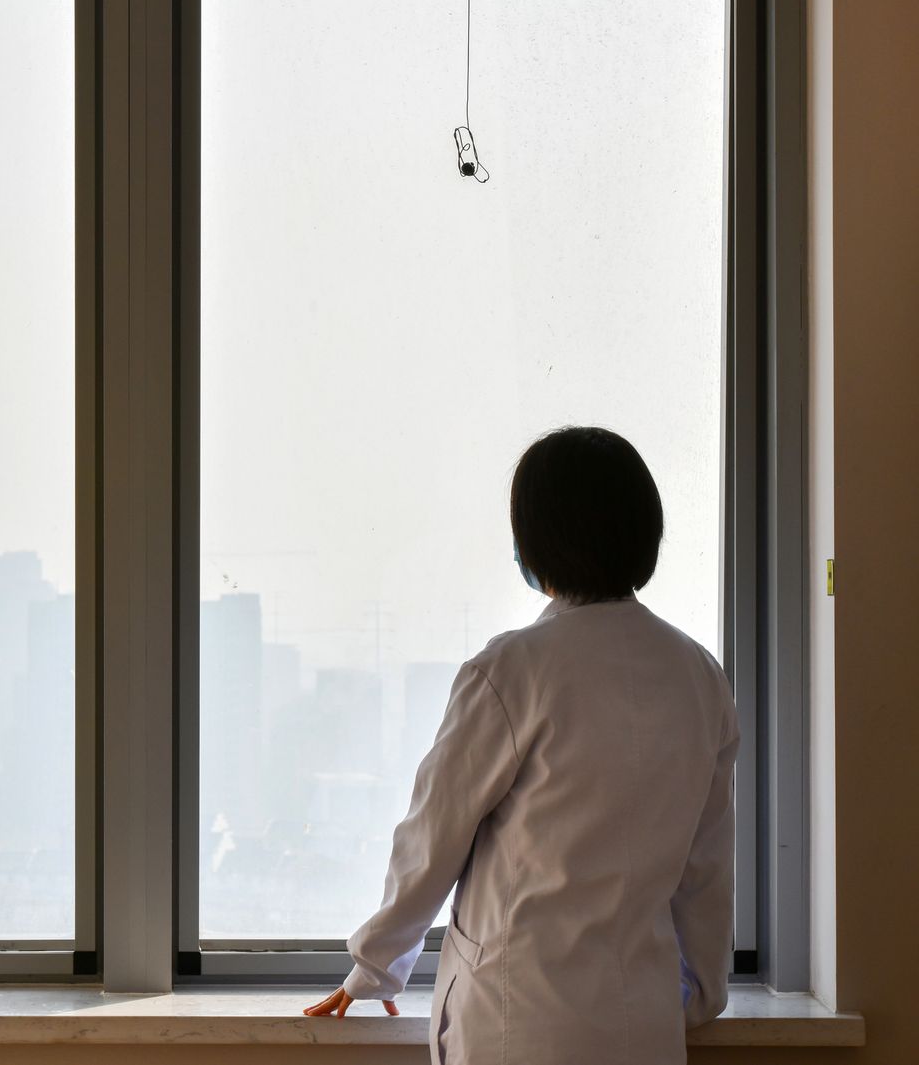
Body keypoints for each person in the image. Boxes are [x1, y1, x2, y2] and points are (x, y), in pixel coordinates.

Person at [304, 426, 739, 1065]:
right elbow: (707, 866)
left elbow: (433, 837)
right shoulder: (699, 676)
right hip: (644, 1023)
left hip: (519, 1019)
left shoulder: (512, 670)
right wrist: (700, 993)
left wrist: (372, 968)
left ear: (538, 537)